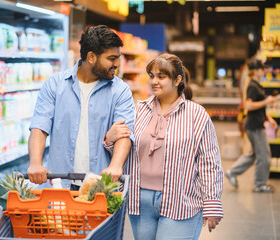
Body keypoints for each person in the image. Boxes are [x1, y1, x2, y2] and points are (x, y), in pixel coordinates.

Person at [104, 53, 223, 239]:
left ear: (177, 80)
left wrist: (212, 202)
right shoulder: (138, 110)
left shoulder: (197, 115)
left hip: (180, 201)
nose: (154, 81)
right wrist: (110, 138)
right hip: (140, 201)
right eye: (151, 76)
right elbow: (124, 148)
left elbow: (209, 163)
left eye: (161, 76)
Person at [27, 25, 135, 189]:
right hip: (59, 184)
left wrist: (116, 166)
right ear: (91, 57)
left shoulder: (120, 90)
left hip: (101, 186)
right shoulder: (55, 85)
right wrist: (35, 163)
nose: (117, 64)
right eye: (112, 58)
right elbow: (39, 126)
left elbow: (125, 134)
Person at [225, 59, 278, 193]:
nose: (264, 71)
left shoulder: (256, 84)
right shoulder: (253, 86)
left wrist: (269, 117)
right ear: (256, 71)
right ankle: (259, 185)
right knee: (264, 156)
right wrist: (267, 100)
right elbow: (249, 106)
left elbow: (259, 106)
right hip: (255, 126)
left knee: (254, 155)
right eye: (261, 69)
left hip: (255, 124)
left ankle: (232, 172)